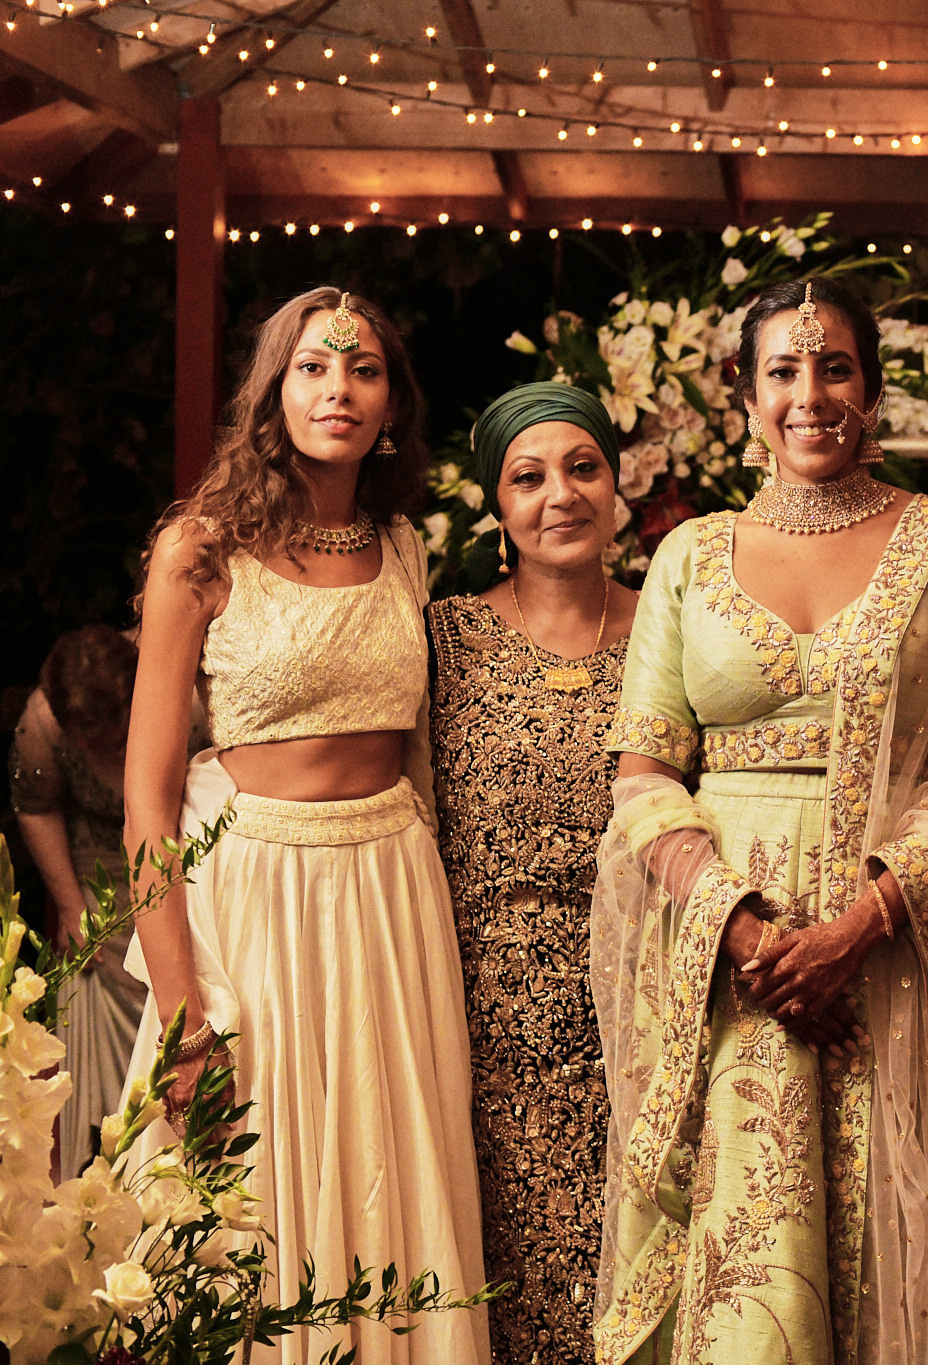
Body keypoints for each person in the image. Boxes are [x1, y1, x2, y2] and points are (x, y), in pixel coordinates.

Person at [591, 277, 928, 1365]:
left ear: (874, 388)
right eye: (783, 372)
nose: (811, 395)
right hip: (727, 967)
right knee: (747, 1266)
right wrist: (746, 934)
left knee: (899, 1261)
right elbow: (643, 776)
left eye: (834, 367)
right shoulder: (686, 558)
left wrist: (860, 927)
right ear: (745, 394)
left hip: (895, 952)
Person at [122, 287, 488, 1365]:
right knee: (259, 1185)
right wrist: (184, 1006)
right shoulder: (200, 552)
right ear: (272, 393)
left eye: (364, 369)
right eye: (314, 367)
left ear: (391, 406)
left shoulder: (407, 548)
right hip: (254, 899)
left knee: (390, 1168)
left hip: (389, 896)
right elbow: (146, 796)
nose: (339, 388)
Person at [428, 383, 638, 1364]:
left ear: (617, 482)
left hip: (640, 1030)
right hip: (483, 1039)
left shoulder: (672, 626)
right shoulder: (443, 641)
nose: (560, 494)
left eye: (582, 467)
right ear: (497, 503)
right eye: (529, 476)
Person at [10, 626, 202, 1177]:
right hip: (99, 882)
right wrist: (70, 903)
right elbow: (35, 804)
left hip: (182, 863)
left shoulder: (183, 701)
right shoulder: (42, 724)